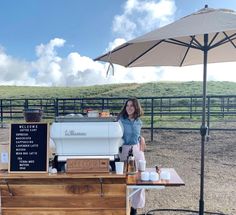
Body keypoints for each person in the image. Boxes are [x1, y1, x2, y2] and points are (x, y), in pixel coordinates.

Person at [118, 98, 146, 215]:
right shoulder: (120, 120)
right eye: (127, 105)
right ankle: (121, 206)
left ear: (136, 108)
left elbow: (137, 134)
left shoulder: (139, 121)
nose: (129, 108)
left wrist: (141, 138)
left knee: (139, 179)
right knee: (122, 179)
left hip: (137, 150)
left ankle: (134, 209)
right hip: (124, 149)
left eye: (132, 106)